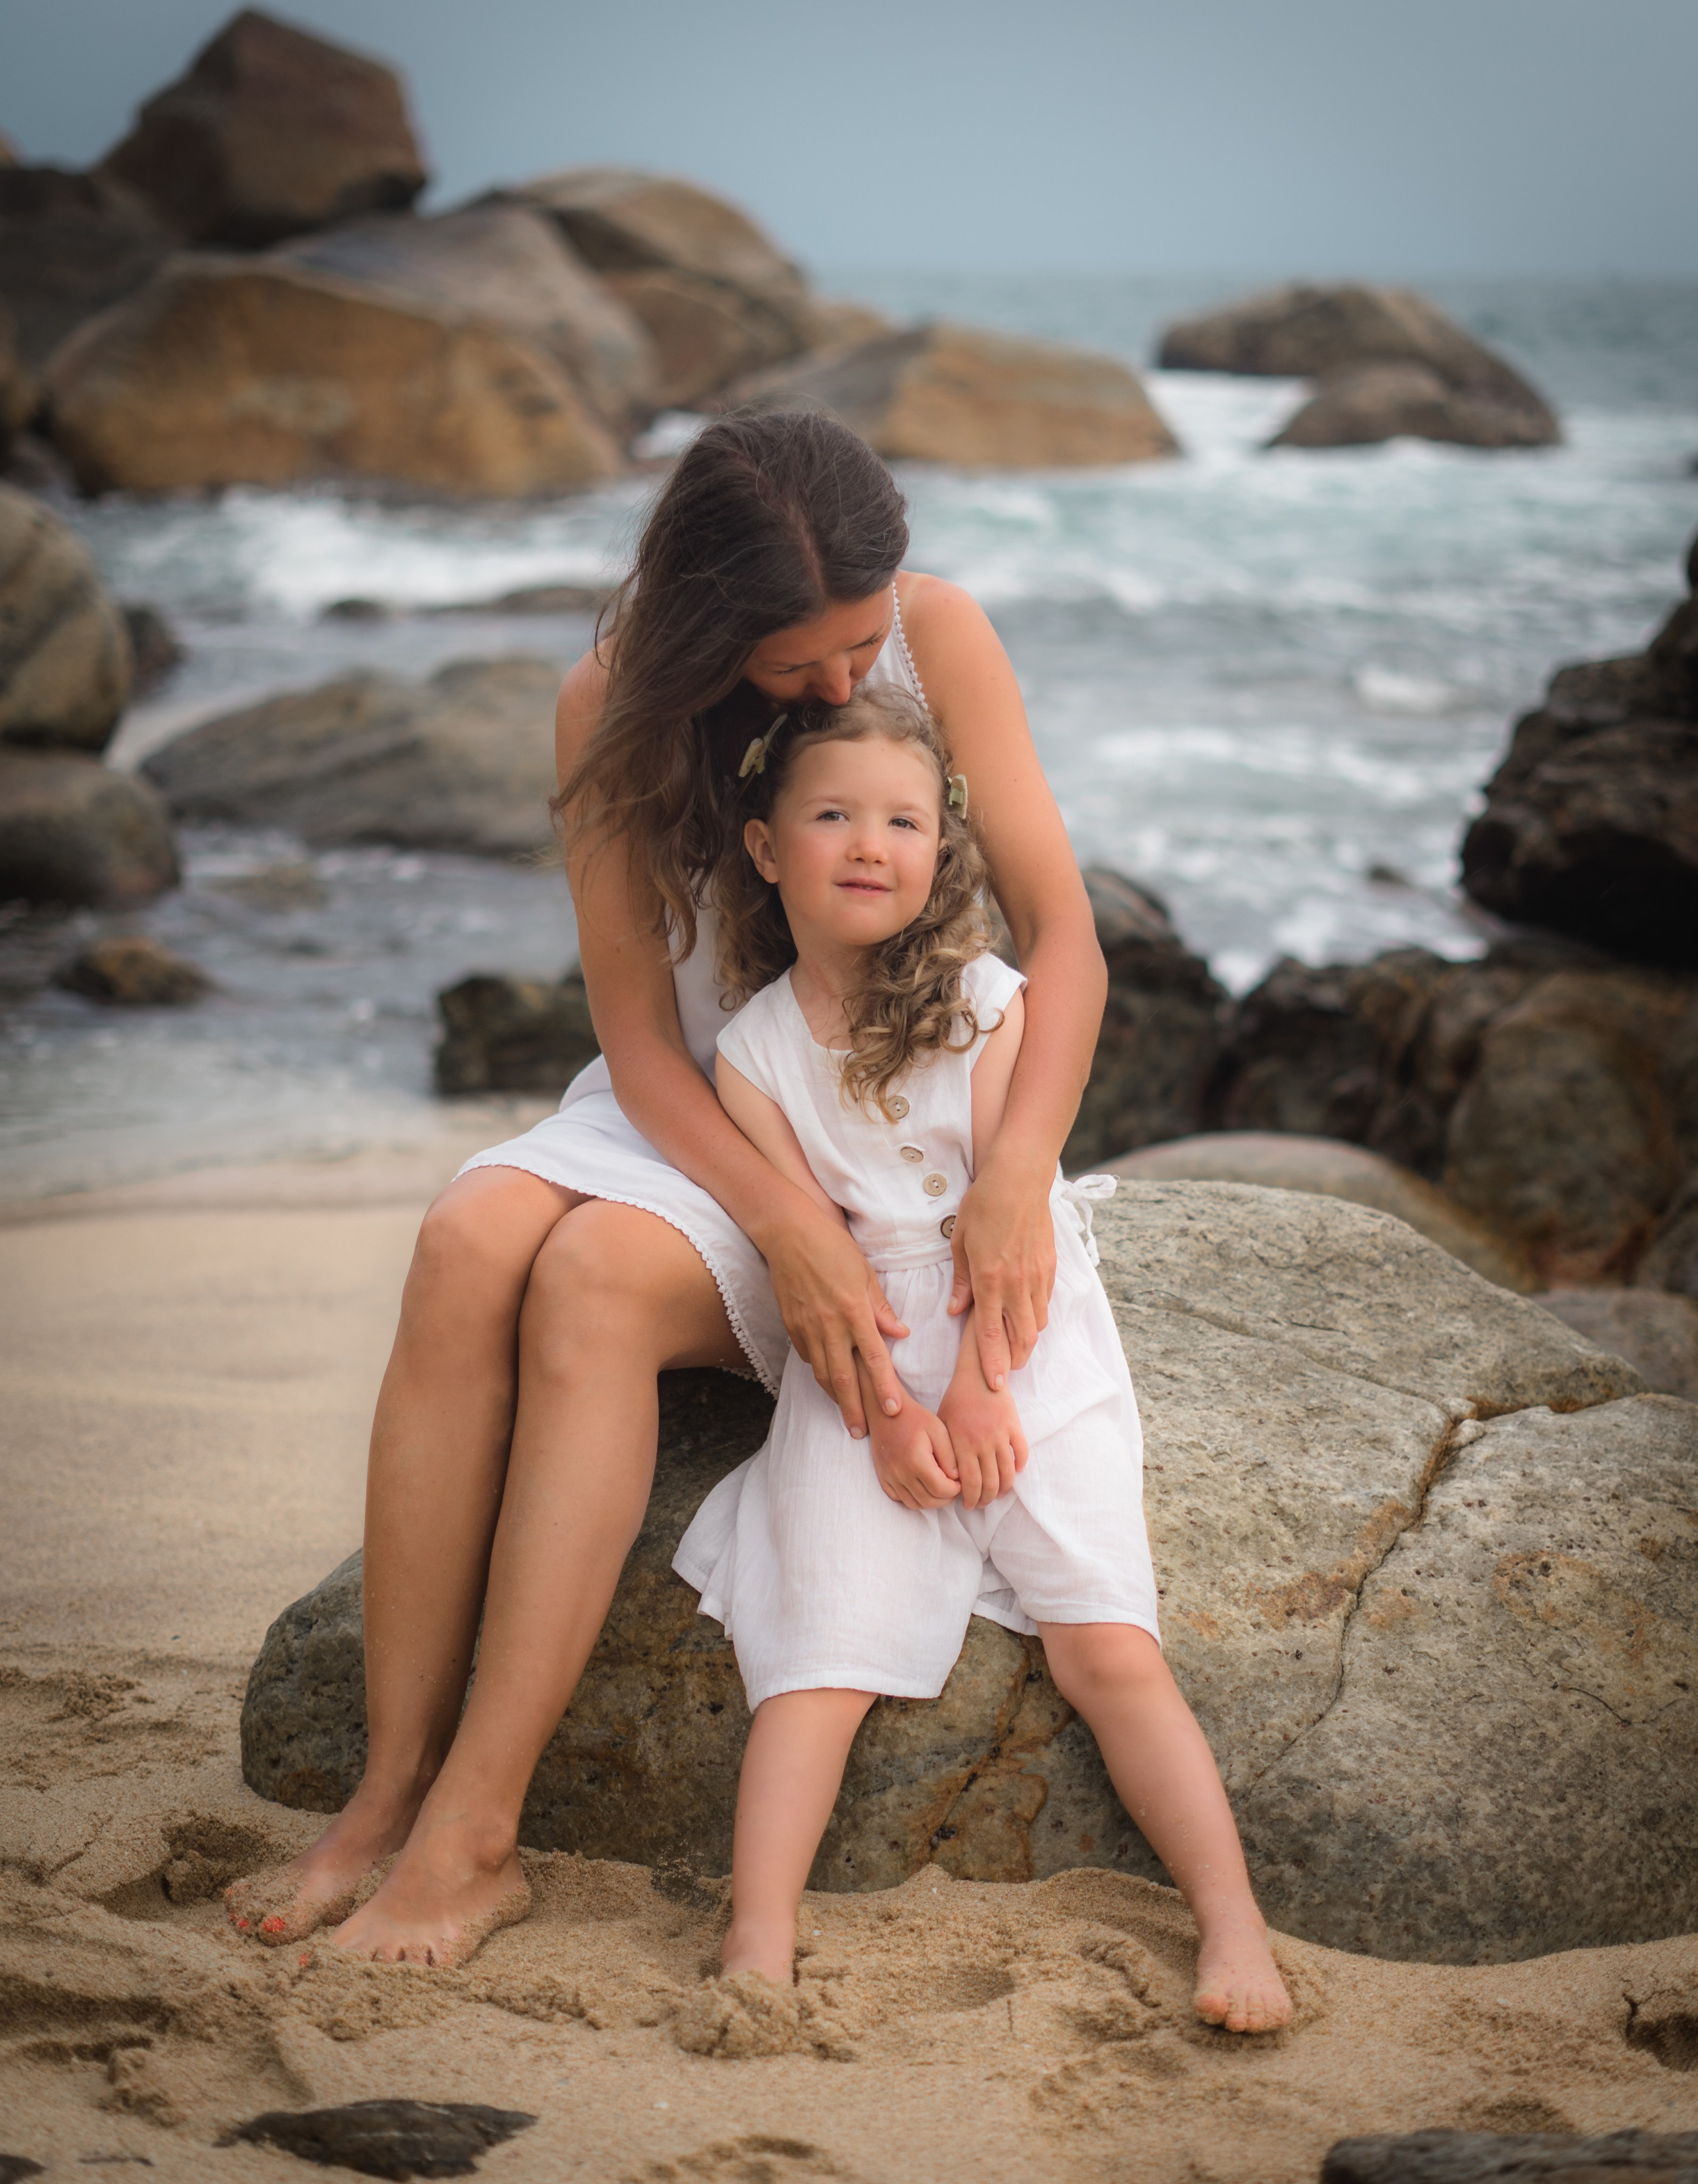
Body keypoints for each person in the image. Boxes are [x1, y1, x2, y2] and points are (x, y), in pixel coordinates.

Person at [223, 410, 1110, 1971]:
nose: (845, 681)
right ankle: (382, 1795)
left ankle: (476, 1832)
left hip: (876, 1124)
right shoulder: (605, 706)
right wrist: (781, 1226)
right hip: (701, 1111)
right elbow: (638, 1043)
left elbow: (1066, 938)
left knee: (582, 1283)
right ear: (708, 626)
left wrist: (1019, 1168)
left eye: (858, 642)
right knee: (467, 1235)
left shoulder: (939, 635)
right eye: (801, 659)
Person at [671, 684, 1292, 2034]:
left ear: (936, 849)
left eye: (900, 819)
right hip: (866, 1354)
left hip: (1019, 1331)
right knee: (814, 1655)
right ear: (767, 848)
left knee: (1105, 1647)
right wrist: (891, 1417)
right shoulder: (754, 1056)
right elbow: (818, 1269)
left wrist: (980, 1388)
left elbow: (1016, 1236)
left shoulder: (986, 1003)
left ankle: (1231, 1925)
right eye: (831, 814)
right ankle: (757, 1937)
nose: (867, 843)